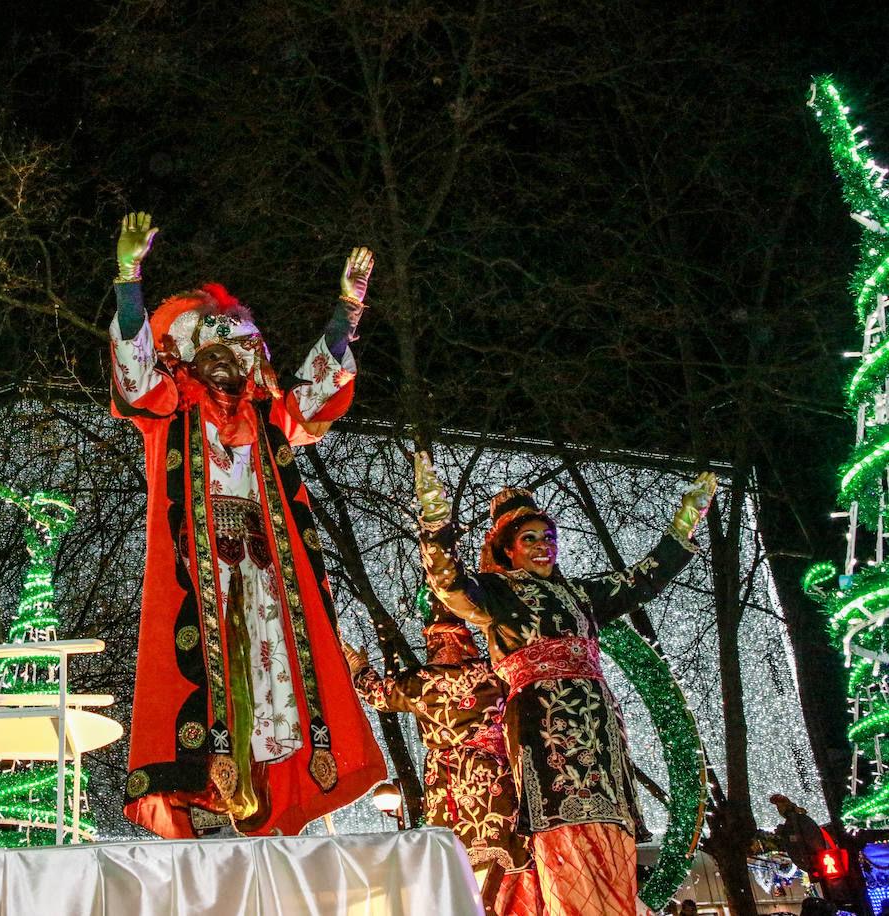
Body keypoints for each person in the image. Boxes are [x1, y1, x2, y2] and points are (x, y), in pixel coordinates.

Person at [109, 211, 386, 838]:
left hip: (267, 576)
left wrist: (348, 310)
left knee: (275, 690)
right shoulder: (170, 414)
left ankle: (264, 809)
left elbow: (314, 393)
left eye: (246, 345)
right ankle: (209, 807)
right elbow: (133, 370)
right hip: (201, 580)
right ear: (190, 357)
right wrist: (129, 278)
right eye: (222, 347)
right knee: (209, 689)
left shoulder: (268, 423)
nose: (239, 358)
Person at [418, 457, 718, 916]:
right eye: (529, 539)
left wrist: (684, 523)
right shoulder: (495, 592)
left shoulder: (580, 594)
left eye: (549, 538)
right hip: (543, 729)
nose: (542, 547)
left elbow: (642, 580)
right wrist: (437, 526)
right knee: (563, 836)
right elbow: (451, 586)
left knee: (613, 831)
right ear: (509, 550)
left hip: (600, 729)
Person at [345, 607, 539, 916]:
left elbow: (377, 695)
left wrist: (358, 667)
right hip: (494, 780)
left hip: (447, 787)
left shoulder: (420, 682)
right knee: (506, 849)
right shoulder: (495, 674)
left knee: (453, 861)